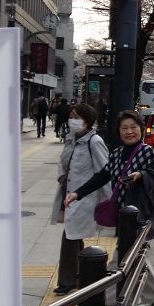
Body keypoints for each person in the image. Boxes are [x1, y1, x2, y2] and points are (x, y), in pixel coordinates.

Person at [65, 110, 154, 306]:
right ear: (119, 132)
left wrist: (142, 175)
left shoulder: (148, 152)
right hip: (123, 214)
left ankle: (106, 300)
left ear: (141, 129)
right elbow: (102, 177)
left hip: (140, 213)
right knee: (133, 256)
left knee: (122, 258)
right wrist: (77, 193)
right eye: (124, 128)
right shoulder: (116, 154)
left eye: (133, 127)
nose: (129, 132)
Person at [50, 104, 110, 295]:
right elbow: (62, 160)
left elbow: (104, 171)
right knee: (74, 235)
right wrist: (61, 174)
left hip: (85, 197)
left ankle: (66, 280)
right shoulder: (72, 138)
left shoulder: (95, 141)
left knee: (70, 235)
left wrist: (110, 200)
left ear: (87, 120)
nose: (72, 120)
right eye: (71, 116)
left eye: (77, 117)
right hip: (69, 193)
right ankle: (79, 273)